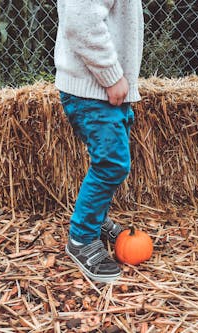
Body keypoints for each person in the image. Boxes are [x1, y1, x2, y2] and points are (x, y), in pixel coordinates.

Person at [54, 0, 144, 282]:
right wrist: (111, 76)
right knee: (111, 164)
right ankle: (81, 238)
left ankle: (95, 219)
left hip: (103, 91)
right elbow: (81, 23)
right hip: (94, 90)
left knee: (111, 161)